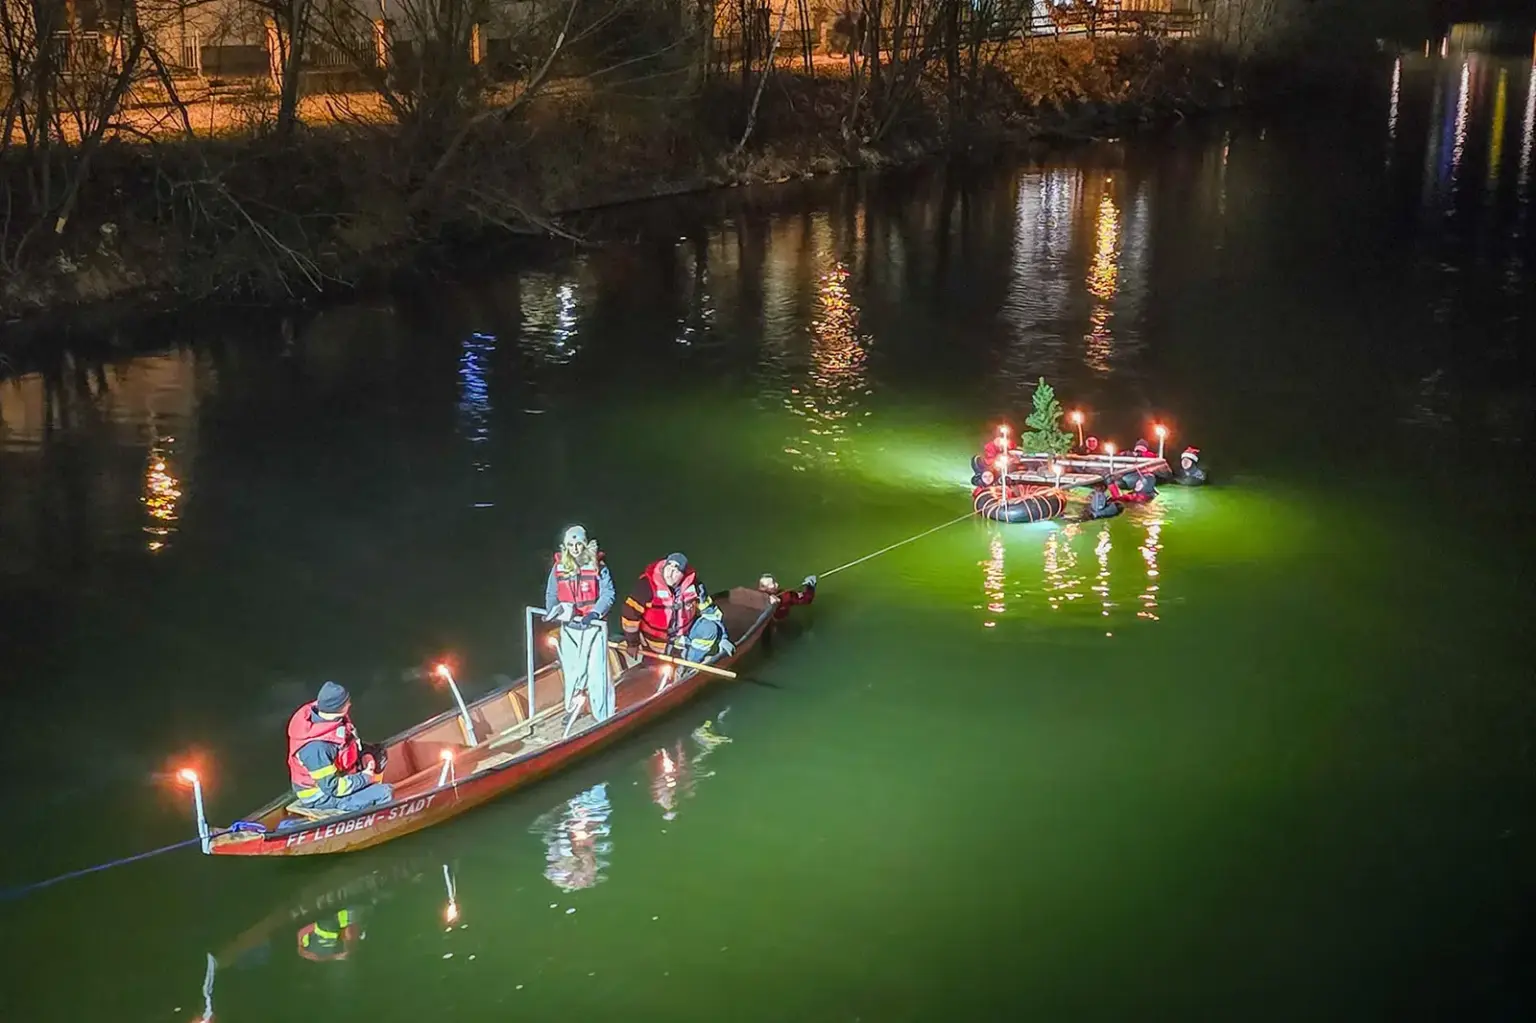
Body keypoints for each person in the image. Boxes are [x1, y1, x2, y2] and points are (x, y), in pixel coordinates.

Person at [543, 524, 617, 723]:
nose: (575, 548)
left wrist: (594, 613)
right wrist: (553, 611)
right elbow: (552, 594)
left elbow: (608, 594)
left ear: (585, 544)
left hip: (594, 627)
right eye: (571, 544)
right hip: (570, 628)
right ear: (565, 546)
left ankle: (604, 715)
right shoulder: (559, 568)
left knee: (597, 673)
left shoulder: (598, 566)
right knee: (573, 671)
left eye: (579, 544)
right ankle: (575, 707)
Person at [287, 681, 393, 813]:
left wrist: (366, 755)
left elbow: (349, 744)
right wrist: (365, 778)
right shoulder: (316, 749)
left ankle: (365, 792)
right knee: (384, 793)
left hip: (341, 774)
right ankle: (365, 815)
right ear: (339, 707)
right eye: (347, 702)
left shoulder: (333, 718)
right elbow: (333, 788)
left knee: (379, 752)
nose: (350, 704)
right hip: (323, 796)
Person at [621, 552, 735, 666]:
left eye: (676, 570)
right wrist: (632, 644)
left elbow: (710, 611)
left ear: (683, 574)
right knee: (653, 669)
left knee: (709, 629)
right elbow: (629, 616)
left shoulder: (695, 586)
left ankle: (689, 664)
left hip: (683, 635)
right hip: (655, 643)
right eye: (669, 567)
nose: (670, 573)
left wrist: (723, 637)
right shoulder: (646, 586)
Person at [296, 908, 362, 962]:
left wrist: (300, 945)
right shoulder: (329, 927)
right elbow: (302, 931)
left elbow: (302, 932)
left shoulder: (327, 929)